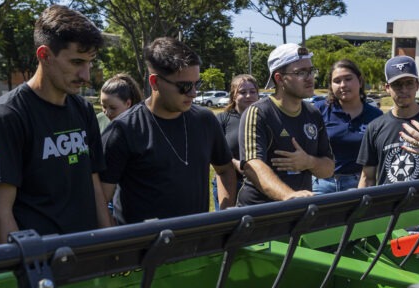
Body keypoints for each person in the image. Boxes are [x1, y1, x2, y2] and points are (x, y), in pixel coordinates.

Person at [0, 4, 111, 243]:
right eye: (76, 62)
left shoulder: (83, 109)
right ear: (44, 55)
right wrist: (26, 269)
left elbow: (94, 184)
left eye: (90, 62)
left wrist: (109, 245)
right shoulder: (7, 115)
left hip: (86, 255)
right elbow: (0, 213)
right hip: (41, 262)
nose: (86, 75)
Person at [101, 38, 235, 223]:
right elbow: (99, 200)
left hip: (196, 245)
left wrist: (225, 214)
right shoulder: (123, 129)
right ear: (155, 82)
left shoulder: (205, 120)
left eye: (198, 84)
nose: (193, 93)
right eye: (185, 86)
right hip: (143, 248)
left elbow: (225, 169)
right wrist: (114, 243)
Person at [237, 43, 334, 205]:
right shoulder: (258, 112)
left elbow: (329, 168)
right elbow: (252, 165)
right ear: (279, 78)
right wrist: (289, 196)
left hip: (298, 214)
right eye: (300, 72)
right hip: (259, 215)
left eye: (311, 71)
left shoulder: (313, 113)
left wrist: (309, 162)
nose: (309, 78)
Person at [358, 56, 419, 186]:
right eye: (397, 84)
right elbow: (367, 178)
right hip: (387, 204)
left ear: (417, 85)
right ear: (387, 87)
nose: (404, 90)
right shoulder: (375, 127)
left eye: (409, 83)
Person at [312, 59, 383, 194]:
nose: (343, 85)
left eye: (348, 79)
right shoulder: (318, 111)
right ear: (331, 85)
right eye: (337, 81)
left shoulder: (376, 116)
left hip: (359, 184)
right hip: (322, 185)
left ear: (360, 81)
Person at [213, 73, 259, 209]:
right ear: (233, 95)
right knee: (226, 226)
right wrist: (236, 163)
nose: (249, 96)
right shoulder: (222, 119)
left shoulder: (265, 118)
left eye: (252, 91)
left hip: (257, 184)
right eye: (242, 92)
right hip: (228, 182)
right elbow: (215, 153)